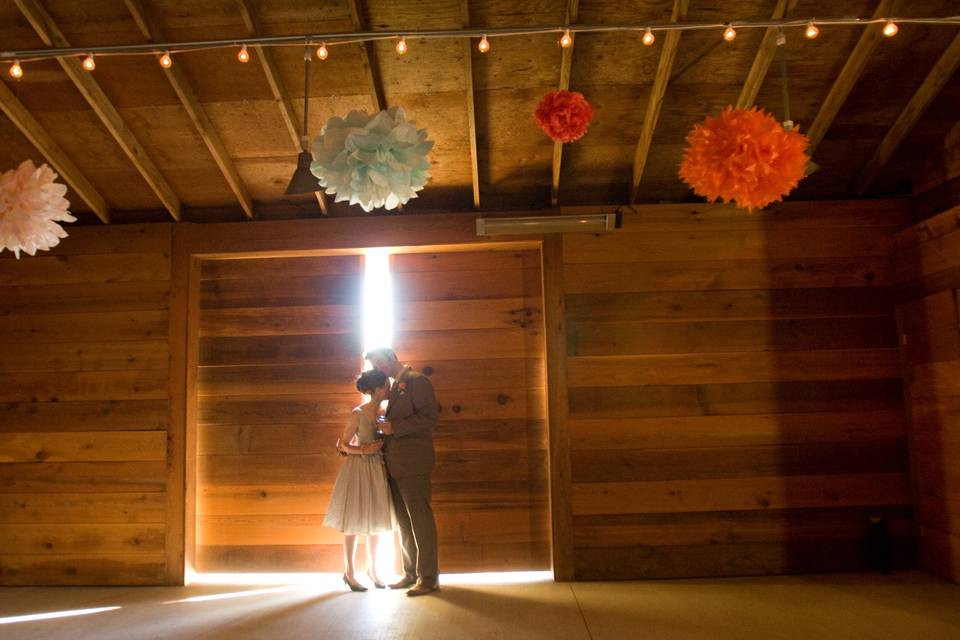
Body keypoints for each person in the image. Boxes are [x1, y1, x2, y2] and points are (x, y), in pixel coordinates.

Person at [365, 347, 440, 597]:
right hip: (394, 464)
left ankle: (428, 578)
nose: (379, 369)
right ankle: (410, 573)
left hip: (414, 463)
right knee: (404, 523)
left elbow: (429, 417)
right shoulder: (393, 386)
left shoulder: (417, 381)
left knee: (420, 519)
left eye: (380, 363)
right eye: (375, 366)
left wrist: (394, 427)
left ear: (391, 357)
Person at [323, 369, 395, 592]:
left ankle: (373, 569)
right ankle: (349, 572)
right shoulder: (358, 413)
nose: (389, 388)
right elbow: (343, 444)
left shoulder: (383, 412)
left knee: (374, 519)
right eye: (386, 385)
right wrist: (364, 449)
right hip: (359, 468)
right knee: (353, 520)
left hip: (376, 468)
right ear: (376, 389)